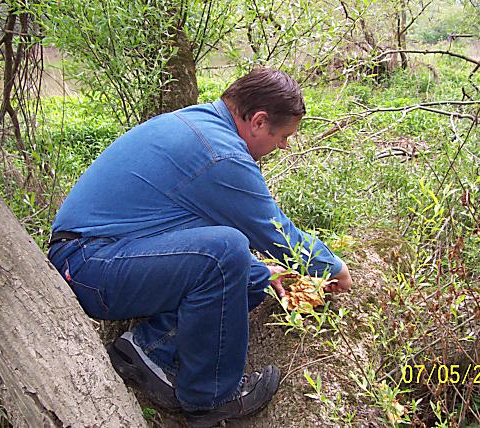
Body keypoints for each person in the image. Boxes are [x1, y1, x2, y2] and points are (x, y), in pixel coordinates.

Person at [47, 68, 352, 428]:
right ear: (258, 121)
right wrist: (331, 268)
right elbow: (273, 231)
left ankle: (150, 349)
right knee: (228, 250)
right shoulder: (219, 153)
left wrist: (258, 273)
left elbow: (181, 224)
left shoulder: (201, 125)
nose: (283, 146)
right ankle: (211, 398)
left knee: (248, 277)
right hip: (88, 264)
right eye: (282, 136)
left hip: (102, 256)